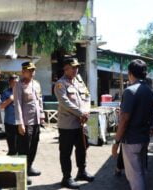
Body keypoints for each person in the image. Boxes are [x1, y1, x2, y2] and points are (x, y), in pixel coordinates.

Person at [112, 59, 153, 190]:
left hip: (131, 139)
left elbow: (124, 119)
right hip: (144, 137)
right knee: (141, 171)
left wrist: (116, 141)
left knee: (134, 176)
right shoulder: (149, 90)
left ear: (130, 73)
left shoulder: (130, 91)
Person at [54, 58, 94, 189]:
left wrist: (86, 111)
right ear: (66, 68)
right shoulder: (60, 84)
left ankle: (81, 171)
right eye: (73, 67)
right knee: (66, 152)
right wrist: (80, 113)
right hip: (67, 125)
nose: (76, 69)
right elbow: (65, 102)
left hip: (81, 123)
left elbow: (87, 97)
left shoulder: (79, 82)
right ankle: (66, 177)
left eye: (77, 67)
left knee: (82, 148)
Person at [13, 61, 45, 185]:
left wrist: (42, 115)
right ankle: (23, 173)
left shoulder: (36, 84)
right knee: (24, 148)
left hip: (36, 120)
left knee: (34, 146)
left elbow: (40, 100)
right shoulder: (19, 85)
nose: (32, 72)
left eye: (33, 70)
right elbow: (18, 105)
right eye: (29, 70)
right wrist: (20, 123)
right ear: (23, 72)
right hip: (25, 122)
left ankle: (29, 167)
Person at [0, 74, 19, 155]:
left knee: (21, 145)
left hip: (21, 122)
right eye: (13, 82)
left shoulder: (22, 92)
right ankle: (11, 164)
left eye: (17, 82)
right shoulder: (6, 93)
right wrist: (10, 99)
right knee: (12, 146)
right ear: (10, 83)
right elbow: (1, 106)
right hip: (10, 122)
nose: (15, 84)